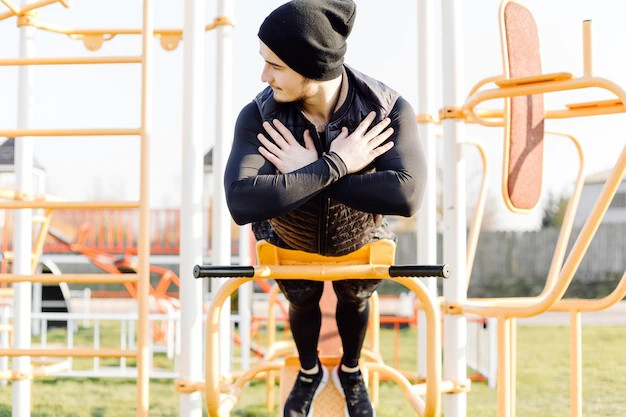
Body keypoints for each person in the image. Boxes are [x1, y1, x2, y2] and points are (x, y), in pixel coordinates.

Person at [224, 1, 426, 416]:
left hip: (359, 238)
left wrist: (305, 175)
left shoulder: (385, 109)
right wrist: (334, 165)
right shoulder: (259, 115)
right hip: (288, 238)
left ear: (312, 68)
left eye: (275, 66)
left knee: (354, 301)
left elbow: (407, 196)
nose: (264, 76)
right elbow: (241, 201)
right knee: (302, 301)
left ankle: (351, 370)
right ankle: (309, 370)